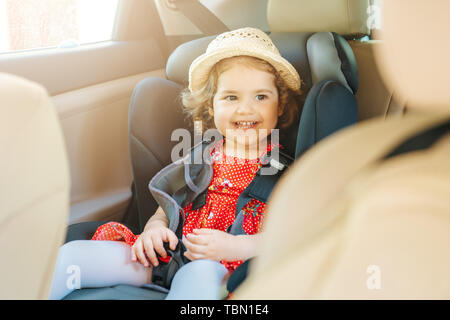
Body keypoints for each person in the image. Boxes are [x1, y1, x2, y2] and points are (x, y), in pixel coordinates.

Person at [49, 27, 302, 300]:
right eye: (231, 97)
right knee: (70, 258)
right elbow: (168, 205)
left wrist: (234, 246)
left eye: (261, 96)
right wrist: (154, 229)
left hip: (223, 268)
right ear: (211, 106)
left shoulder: (280, 169)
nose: (246, 108)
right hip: (167, 256)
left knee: (199, 279)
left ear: (279, 106)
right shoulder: (201, 154)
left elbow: (290, 235)